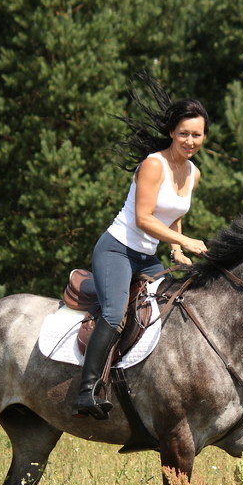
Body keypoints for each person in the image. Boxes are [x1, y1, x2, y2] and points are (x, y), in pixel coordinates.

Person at [73, 86, 209, 419]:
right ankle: (86, 390)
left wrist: (176, 248)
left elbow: (174, 214)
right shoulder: (153, 165)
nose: (190, 141)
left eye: (197, 135)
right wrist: (189, 241)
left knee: (171, 307)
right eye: (184, 134)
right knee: (115, 313)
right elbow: (144, 218)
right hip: (117, 249)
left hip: (147, 258)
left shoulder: (194, 173)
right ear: (171, 133)